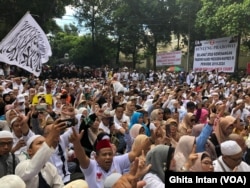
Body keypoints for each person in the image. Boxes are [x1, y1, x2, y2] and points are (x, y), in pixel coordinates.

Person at [69, 127, 151, 188]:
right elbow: (82, 157)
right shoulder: (91, 166)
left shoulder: (117, 161)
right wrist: (76, 143)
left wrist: (151, 140)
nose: (108, 157)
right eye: (104, 155)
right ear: (96, 157)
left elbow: (134, 153)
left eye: (110, 154)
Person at [15, 121, 67, 188]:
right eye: (40, 143)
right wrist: (51, 135)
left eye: (45, 143)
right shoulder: (23, 165)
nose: (44, 145)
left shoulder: (50, 167)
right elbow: (32, 169)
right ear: (30, 151)